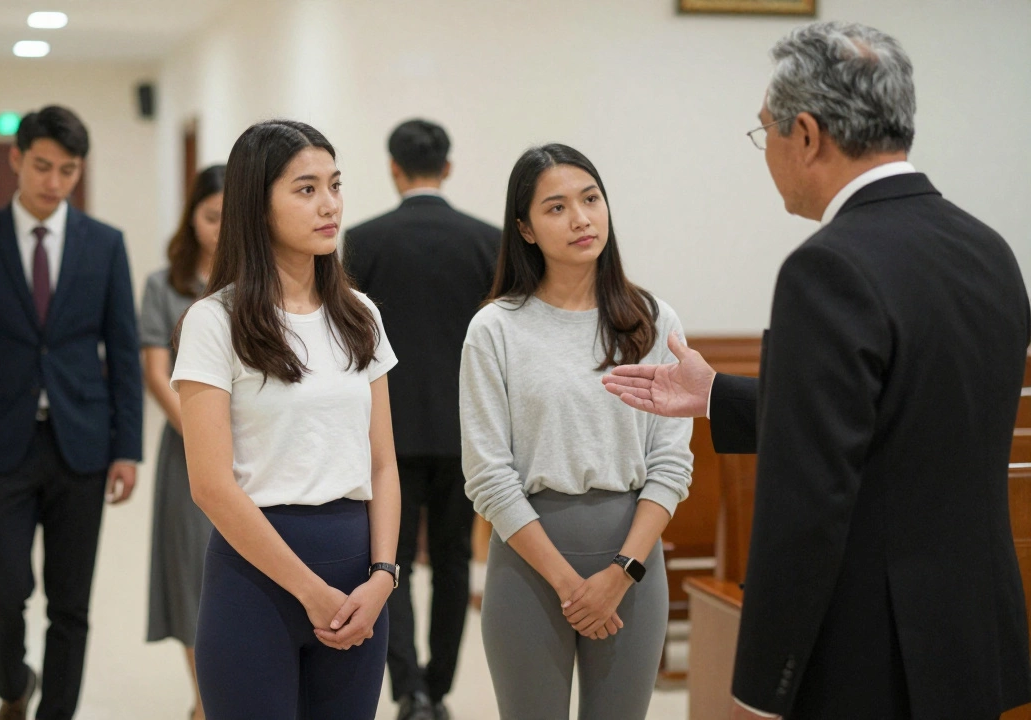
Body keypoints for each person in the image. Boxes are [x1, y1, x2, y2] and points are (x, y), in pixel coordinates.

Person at [602, 21, 1031, 720]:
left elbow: (804, 507)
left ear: (805, 134)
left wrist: (761, 688)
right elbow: (905, 416)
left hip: (874, 656)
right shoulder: (988, 250)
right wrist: (717, 396)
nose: (766, 151)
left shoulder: (828, 267)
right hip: (972, 637)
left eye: (764, 130)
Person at [172, 119, 400, 719]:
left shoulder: (361, 316)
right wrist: (309, 590)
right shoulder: (214, 322)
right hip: (255, 583)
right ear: (258, 204)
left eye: (335, 185)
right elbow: (210, 485)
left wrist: (383, 576)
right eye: (306, 189)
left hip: (359, 583)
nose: (330, 205)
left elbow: (382, 463)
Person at [460, 143, 693, 719]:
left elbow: (671, 463)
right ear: (525, 229)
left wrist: (622, 572)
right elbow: (488, 475)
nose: (581, 219)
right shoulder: (495, 329)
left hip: (633, 561)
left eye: (591, 200)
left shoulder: (652, 320)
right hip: (528, 563)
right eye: (557, 207)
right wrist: (569, 584)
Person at [0, 105, 143, 720]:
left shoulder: (106, 244)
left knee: (70, 602)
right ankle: (12, 679)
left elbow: (123, 352)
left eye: (68, 170)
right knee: (1, 589)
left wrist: (128, 447)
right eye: (43, 166)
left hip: (83, 443)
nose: (54, 182)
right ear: (16, 159)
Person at [342, 118, 499, 720]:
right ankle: (440, 686)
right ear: (448, 167)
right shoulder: (486, 241)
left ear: (393, 168)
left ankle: (408, 690)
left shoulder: (363, 241)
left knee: (393, 559)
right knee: (456, 559)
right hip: (466, 431)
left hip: (391, 431)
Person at [141, 164, 225, 720]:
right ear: (191, 217)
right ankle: (205, 701)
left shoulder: (261, 280)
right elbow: (156, 372)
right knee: (193, 577)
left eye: (230, 218)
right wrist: (205, 436)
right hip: (189, 450)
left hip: (257, 453)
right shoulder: (164, 286)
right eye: (211, 217)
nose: (220, 230)